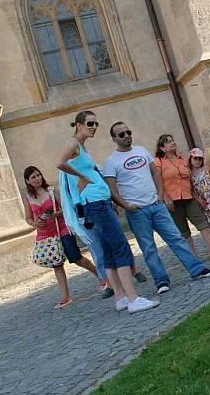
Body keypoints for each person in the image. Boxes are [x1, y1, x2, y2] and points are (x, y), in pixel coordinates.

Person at [56, 111, 159, 314]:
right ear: (78, 125)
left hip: (98, 203)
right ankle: (133, 298)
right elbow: (60, 163)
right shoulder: (73, 144)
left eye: (96, 123)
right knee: (120, 247)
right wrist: (82, 176)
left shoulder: (81, 147)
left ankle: (120, 298)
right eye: (90, 123)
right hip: (95, 203)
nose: (94, 127)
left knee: (109, 250)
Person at [102, 122, 210, 294]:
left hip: (156, 205)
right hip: (137, 212)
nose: (126, 136)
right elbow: (111, 188)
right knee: (149, 248)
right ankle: (161, 281)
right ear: (114, 139)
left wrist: (160, 194)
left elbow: (156, 173)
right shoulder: (111, 161)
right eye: (121, 134)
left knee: (177, 239)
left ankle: (198, 270)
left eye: (128, 132)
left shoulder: (141, 151)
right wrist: (126, 206)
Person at [23, 166, 104, 309]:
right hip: (45, 235)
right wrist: (34, 223)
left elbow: (66, 209)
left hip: (62, 230)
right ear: (27, 181)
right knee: (57, 265)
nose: (37, 179)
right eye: (33, 177)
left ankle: (101, 277)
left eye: (38, 175)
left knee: (77, 258)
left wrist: (55, 215)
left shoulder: (52, 191)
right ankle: (66, 297)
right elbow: (28, 218)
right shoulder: (28, 198)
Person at [153, 134, 210, 256]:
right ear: (162, 148)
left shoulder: (182, 160)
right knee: (183, 229)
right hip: (173, 200)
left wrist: (197, 197)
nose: (172, 143)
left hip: (189, 197)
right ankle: (193, 256)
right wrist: (166, 198)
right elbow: (157, 181)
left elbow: (190, 180)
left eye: (172, 140)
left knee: (202, 222)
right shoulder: (159, 162)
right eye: (168, 142)